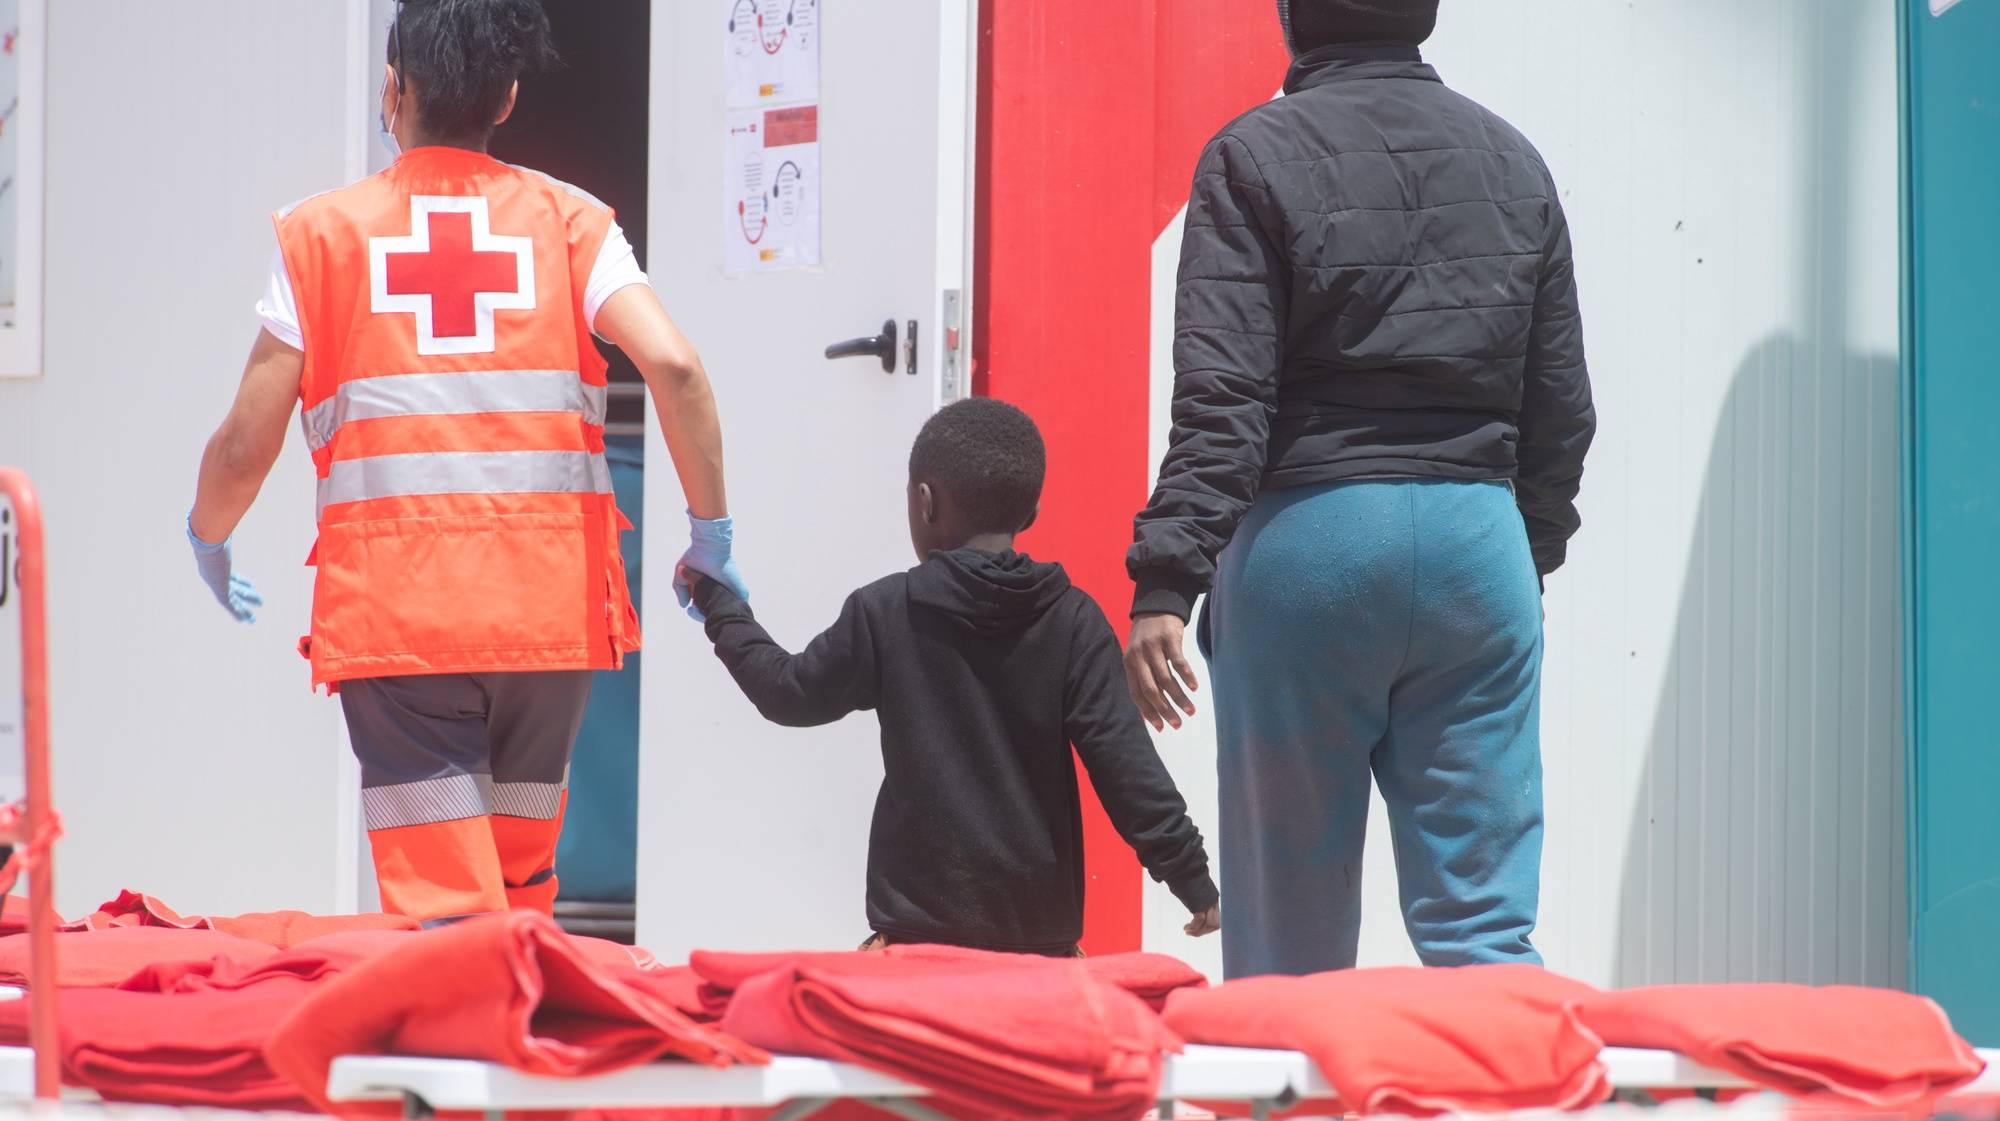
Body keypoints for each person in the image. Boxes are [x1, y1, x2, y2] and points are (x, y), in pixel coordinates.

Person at [186, 0, 747, 923]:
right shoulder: (574, 224)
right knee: (518, 888)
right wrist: (710, 532)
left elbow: (247, 442)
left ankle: (468, 1041)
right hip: (549, 621)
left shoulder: (323, 236)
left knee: (446, 909)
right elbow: (676, 367)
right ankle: (518, 1044)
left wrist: (209, 536)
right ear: (510, 95)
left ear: (393, 88)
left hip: (403, 625)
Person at [1124, 0, 1596, 977]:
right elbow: (1560, 407)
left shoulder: (1252, 155)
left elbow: (1223, 397)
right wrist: (1520, 552)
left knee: (1286, 942)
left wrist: (1166, 576)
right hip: (1476, 541)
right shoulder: (1511, 159)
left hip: (1310, 543)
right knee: (1483, 931)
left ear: (1293, 18)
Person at [686, 399, 1221, 956]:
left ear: (925, 501)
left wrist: (718, 602)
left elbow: (786, 694)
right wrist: (1192, 880)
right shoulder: (1073, 622)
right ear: (1031, 513)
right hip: (1039, 950)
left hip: (916, 943)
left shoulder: (887, 611)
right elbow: (1127, 769)